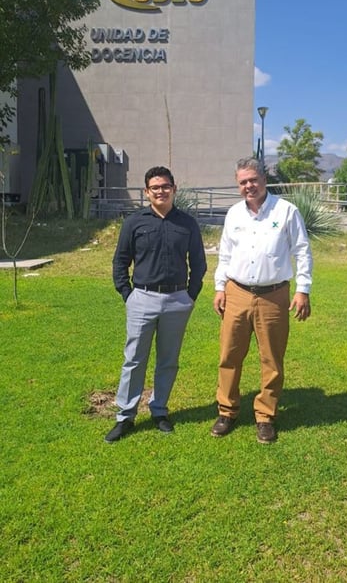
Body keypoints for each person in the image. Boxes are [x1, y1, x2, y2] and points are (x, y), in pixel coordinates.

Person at [211, 157, 313, 444]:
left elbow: (302, 250)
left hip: (273, 295)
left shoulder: (286, 211)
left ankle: (265, 415)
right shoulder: (233, 214)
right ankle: (227, 410)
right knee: (229, 355)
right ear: (238, 185)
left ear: (264, 179)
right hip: (237, 293)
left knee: (272, 359)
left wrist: (302, 289)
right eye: (243, 182)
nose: (248, 186)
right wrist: (220, 288)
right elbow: (225, 255)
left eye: (253, 180)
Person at [105, 166, 207, 443]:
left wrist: (190, 295)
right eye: (154, 187)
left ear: (174, 188)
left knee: (168, 361)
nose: (160, 191)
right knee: (134, 359)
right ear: (147, 192)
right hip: (142, 298)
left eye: (165, 186)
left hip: (177, 300)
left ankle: (159, 410)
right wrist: (127, 294)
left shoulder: (187, 223)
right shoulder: (134, 222)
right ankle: (125, 417)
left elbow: (198, 263)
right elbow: (120, 261)